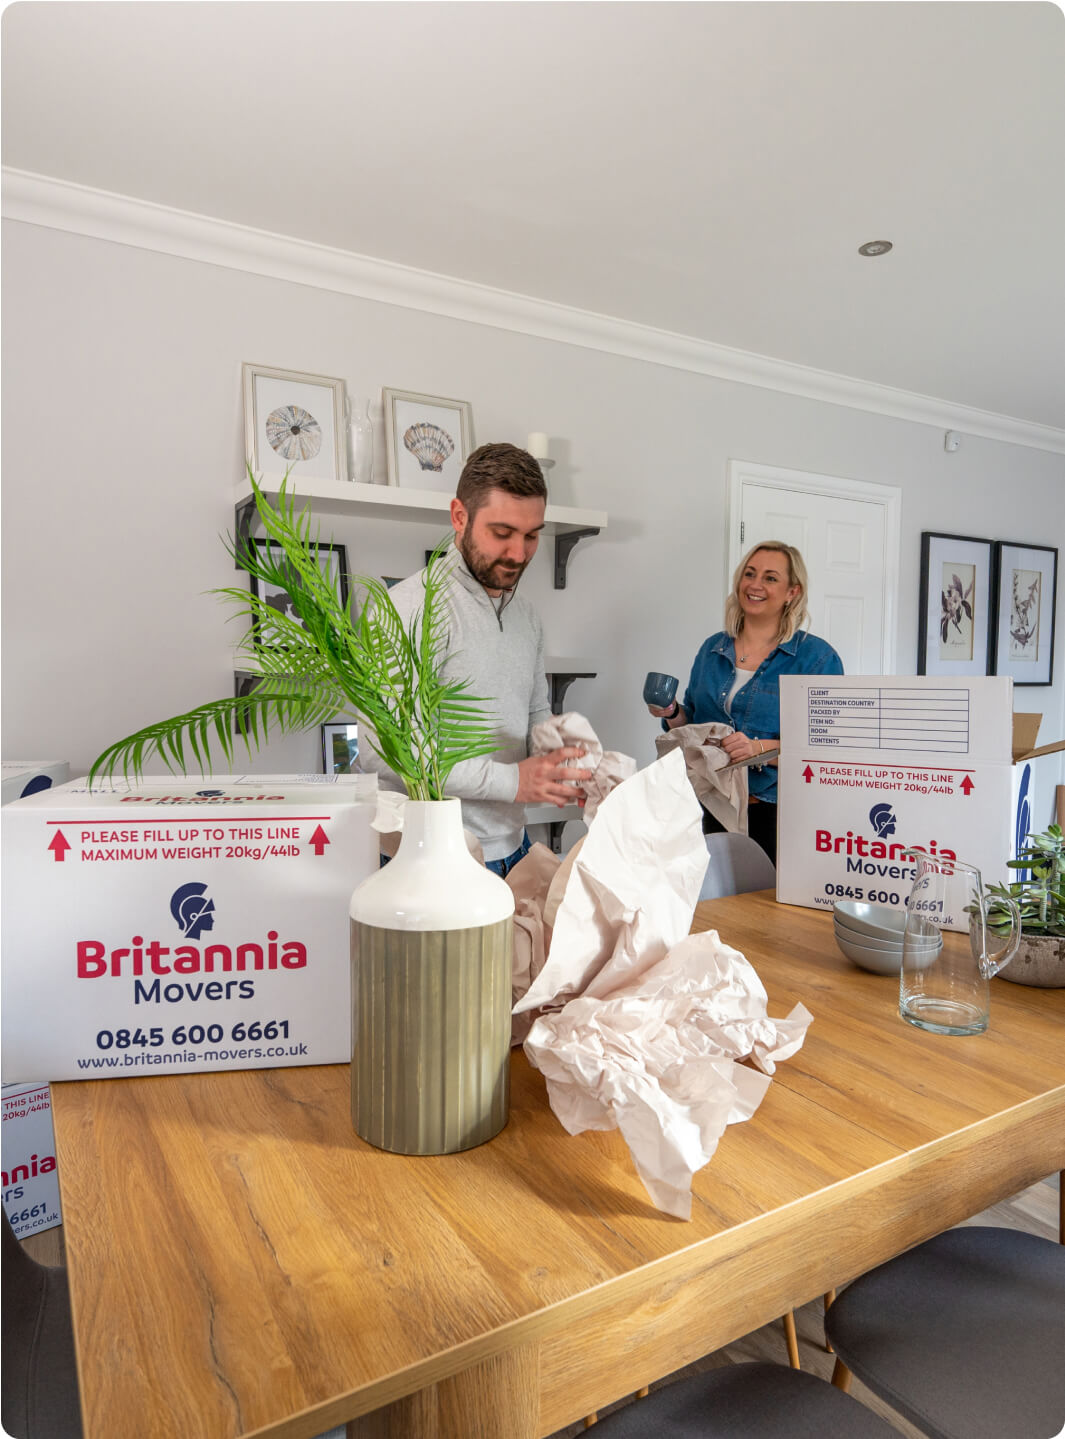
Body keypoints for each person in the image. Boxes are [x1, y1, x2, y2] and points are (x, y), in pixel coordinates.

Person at [362, 442, 592, 876]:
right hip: (426, 857)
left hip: (515, 846)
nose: (519, 554)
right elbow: (386, 749)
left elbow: (535, 711)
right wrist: (516, 781)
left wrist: (564, 766)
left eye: (531, 535)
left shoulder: (526, 615)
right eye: (502, 533)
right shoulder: (404, 609)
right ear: (459, 516)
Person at [648, 541, 842, 865]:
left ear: (792, 592)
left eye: (770, 578)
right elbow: (693, 725)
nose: (755, 585)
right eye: (750, 574)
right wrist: (672, 713)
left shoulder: (817, 659)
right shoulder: (713, 648)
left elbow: (825, 749)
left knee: (765, 914)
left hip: (775, 813)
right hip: (707, 803)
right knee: (708, 909)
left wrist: (757, 749)